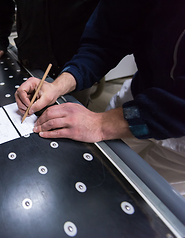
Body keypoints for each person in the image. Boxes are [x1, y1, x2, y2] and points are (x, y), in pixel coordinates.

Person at [15, 0, 185, 193]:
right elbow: (105, 41)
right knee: (106, 174)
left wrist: (101, 124)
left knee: (147, 198)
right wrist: (56, 86)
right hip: (141, 92)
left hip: (180, 142)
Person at [0, 0, 99, 105]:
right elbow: (3, 5)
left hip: (77, 60)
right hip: (31, 57)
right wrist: (1, 40)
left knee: (73, 114)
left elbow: (104, 30)